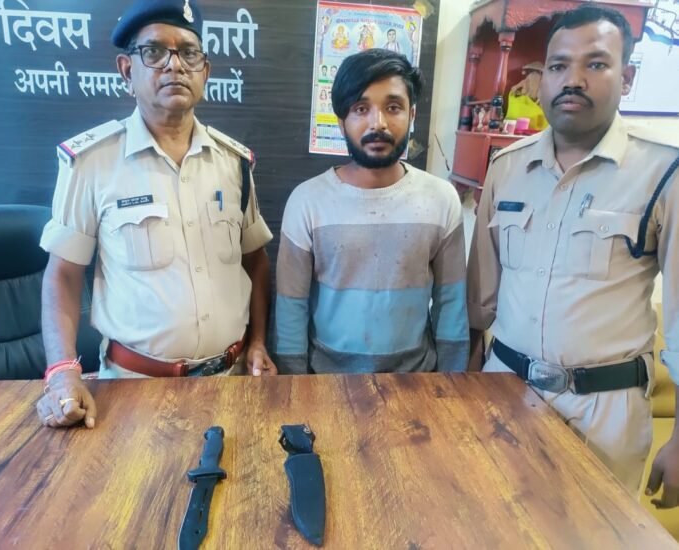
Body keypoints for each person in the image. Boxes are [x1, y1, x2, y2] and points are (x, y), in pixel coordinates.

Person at [467, 6, 679, 506]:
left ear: (626, 78)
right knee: (490, 521)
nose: (573, 80)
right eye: (559, 65)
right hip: (504, 394)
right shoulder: (506, 168)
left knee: (596, 534)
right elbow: (480, 298)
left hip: (604, 413)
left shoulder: (663, 173)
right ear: (541, 79)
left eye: (596, 64)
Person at [36, 0, 276, 430]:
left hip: (234, 381)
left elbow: (255, 262)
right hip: (133, 393)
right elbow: (63, 276)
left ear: (205, 71)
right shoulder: (92, 163)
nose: (174, 65)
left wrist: (258, 341)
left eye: (189, 53)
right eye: (155, 52)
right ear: (127, 70)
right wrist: (62, 372)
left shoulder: (234, 163)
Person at [275, 49, 468, 374]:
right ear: (341, 121)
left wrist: (451, 387)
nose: (378, 123)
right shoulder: (307, 201)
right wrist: (293, 387)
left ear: (412, 115)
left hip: (416, 381)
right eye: (361, 109)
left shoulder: (441, 199)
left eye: (393, 107)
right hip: (326, 382)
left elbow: (451, 305)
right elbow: (290, 308)